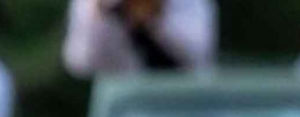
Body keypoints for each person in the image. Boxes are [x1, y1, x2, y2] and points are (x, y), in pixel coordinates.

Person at [62, 0, 217, 76]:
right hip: (127, 113)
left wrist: (155, 20)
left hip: (185, 106)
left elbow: (200, 54)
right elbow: (79, 62)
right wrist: (100, 15)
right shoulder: (93, 4)